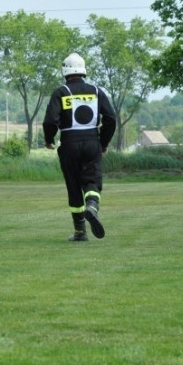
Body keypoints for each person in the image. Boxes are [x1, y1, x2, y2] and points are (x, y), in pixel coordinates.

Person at [43, 53, 116, 242]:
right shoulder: (97, 92)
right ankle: (92, 205)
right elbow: (111, 119)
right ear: (83, 70)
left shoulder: (61, 92)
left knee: (74, 186)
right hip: (92, 141)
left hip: (69, 143)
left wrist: (49, 139)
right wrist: (104, 142)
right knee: (91, 180)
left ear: (65, 71)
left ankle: (80, 231)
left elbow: (51, 120)